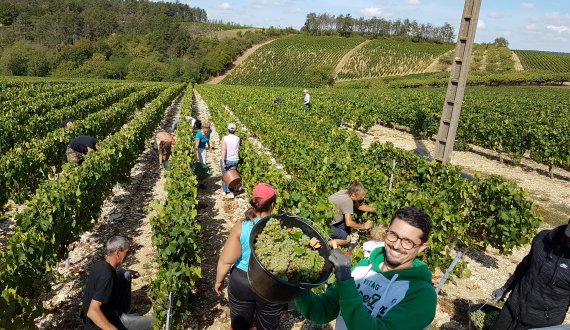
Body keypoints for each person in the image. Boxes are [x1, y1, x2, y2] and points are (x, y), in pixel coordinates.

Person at [295, 207, 437, 330]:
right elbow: (323, 311)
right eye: (393, 234)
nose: (396, 245)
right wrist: (296, 284)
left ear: (422, 248)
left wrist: (344, 279)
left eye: (408, 241)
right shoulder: (362, 268)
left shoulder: (422, 296)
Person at [214, 183, 283, 330]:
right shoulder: (280, 227)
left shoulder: (242, 226)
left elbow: (226, 261)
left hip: (242, 282)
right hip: (269, 285)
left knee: (240, 325)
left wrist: (218, 281)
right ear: (272, 205)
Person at [490, 219, 570, 330]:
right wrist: (504, 288)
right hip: (511, 309)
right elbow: (524, 266)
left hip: (542, 324)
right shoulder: (543, 239)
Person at [82, 236, 152, 330]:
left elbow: (112, 276)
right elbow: (92, 312)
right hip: (102, 323)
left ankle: (125, 313)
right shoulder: (107, 277)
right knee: (152, 321)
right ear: (117, 252)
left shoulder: (100, 265)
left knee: (125, 274)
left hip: (100, 316)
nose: (128, 255)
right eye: (126, 252)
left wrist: (128, 272)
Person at [328, 182, 376, 248]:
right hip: (326, 225)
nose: (361, 199)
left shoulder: (345, 192)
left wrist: (374, 210)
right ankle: (323, 243)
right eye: (360, 197)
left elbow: (359, 206)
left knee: (348, 230)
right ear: (353, 194)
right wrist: (364, 226)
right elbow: (349, 223)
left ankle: (337, 238)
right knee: (347, 239)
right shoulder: (347, 201)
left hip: (329, 219)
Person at [220, 123, 240, 199]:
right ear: (235, 130)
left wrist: (222, 161)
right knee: (232, 177)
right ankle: (231, 192)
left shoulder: (225, 138)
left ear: (228, 129)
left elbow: (223, 150)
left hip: (227, 159)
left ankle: (224, 191)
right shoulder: (238, 138)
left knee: (225, 175)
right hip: (235, 159)